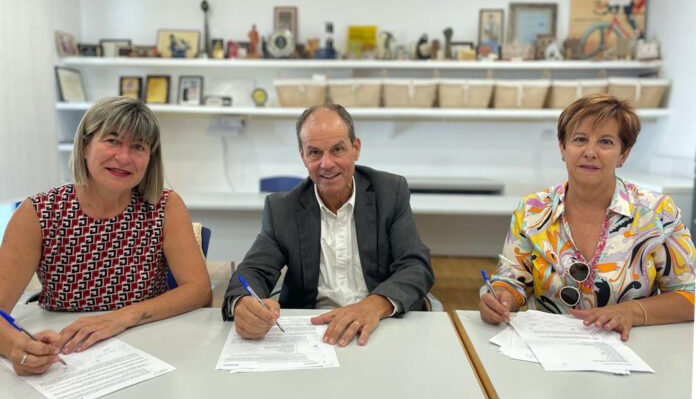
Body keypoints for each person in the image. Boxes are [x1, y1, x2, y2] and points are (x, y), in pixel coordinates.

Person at [0, 97, 211, 375]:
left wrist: (121, 318)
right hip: (67, 356)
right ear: (84, 146)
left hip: (150, 350)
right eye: (112, 141)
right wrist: (19, 348)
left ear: (150, 158)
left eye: (138, 146)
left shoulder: (165, 205)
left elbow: (199, 290)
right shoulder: (38, 212)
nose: (124, 157)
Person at [479, 94, 694, 340]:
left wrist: (632, 311)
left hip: (631, 346)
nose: (590, 152)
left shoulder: (656, 212)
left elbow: (689, 294)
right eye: (580, 139)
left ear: (623, 154)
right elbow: (511, 280)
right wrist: (501, 297)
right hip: (547, 346)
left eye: (605, 142)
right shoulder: (532, 210)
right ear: (563, 148)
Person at [222, 104, 434, 346]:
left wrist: (375, 304)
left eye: (337, 149)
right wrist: (243, 303)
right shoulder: (283, 209)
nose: (327, 163)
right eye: (314, 152)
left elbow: (416, 266)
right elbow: (253, 271)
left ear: (355, 148)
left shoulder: (389, 192)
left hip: (380, 326)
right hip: (315, 335)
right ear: (302, 156)